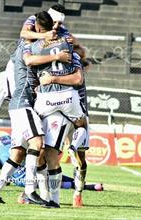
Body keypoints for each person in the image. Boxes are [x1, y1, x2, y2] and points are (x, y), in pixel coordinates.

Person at [0, 11, 71, 206]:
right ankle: (30, 191)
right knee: (37, 143)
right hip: (22, 102)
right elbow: (29, 60)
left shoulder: (34, 45)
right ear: (39, 29)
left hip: (20, 105)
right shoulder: (26, 45)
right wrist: (57, 54)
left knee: (17, 153)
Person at [0, 121, 103, 203]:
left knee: (53, 181)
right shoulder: (7, 138)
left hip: (21, 177)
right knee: (55, 178)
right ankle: (88, 186)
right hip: (30, 168)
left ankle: (27, 197)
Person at [39, 45, 91, 207]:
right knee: (49, 154)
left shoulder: (73, 66)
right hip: (67, 112)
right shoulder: (64, 63)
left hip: (73, 112)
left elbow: (78, 78)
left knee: (67, 156)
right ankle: (43, 192)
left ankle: (75, 193)